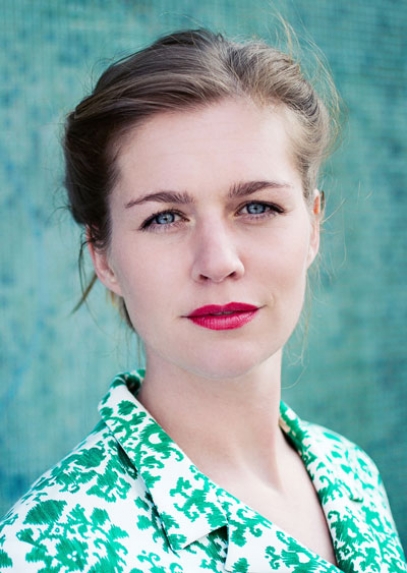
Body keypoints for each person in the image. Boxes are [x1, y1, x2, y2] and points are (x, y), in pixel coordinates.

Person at [0, 29, 405, 573]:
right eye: (164, 217)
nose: (218, 261)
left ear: (313, 225)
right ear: (103, 255)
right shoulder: (50, 547)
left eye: (257, 207)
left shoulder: (352, 474)